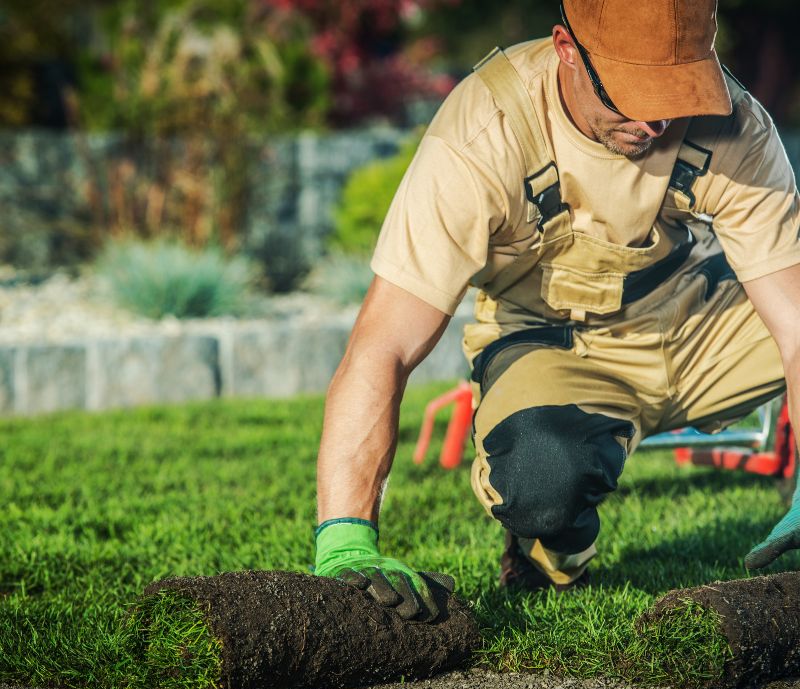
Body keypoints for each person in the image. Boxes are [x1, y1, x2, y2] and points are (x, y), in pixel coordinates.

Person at [313, 0, 800, 621]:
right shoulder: (484, 130)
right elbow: (384, 345)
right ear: (566, 47)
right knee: (544, 479)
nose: (654, 122)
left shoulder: (735, 126)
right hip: (555, 347)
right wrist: (346, 536)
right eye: (632, 92)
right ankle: (553, 544)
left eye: (674, 92)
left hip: (696, 324)